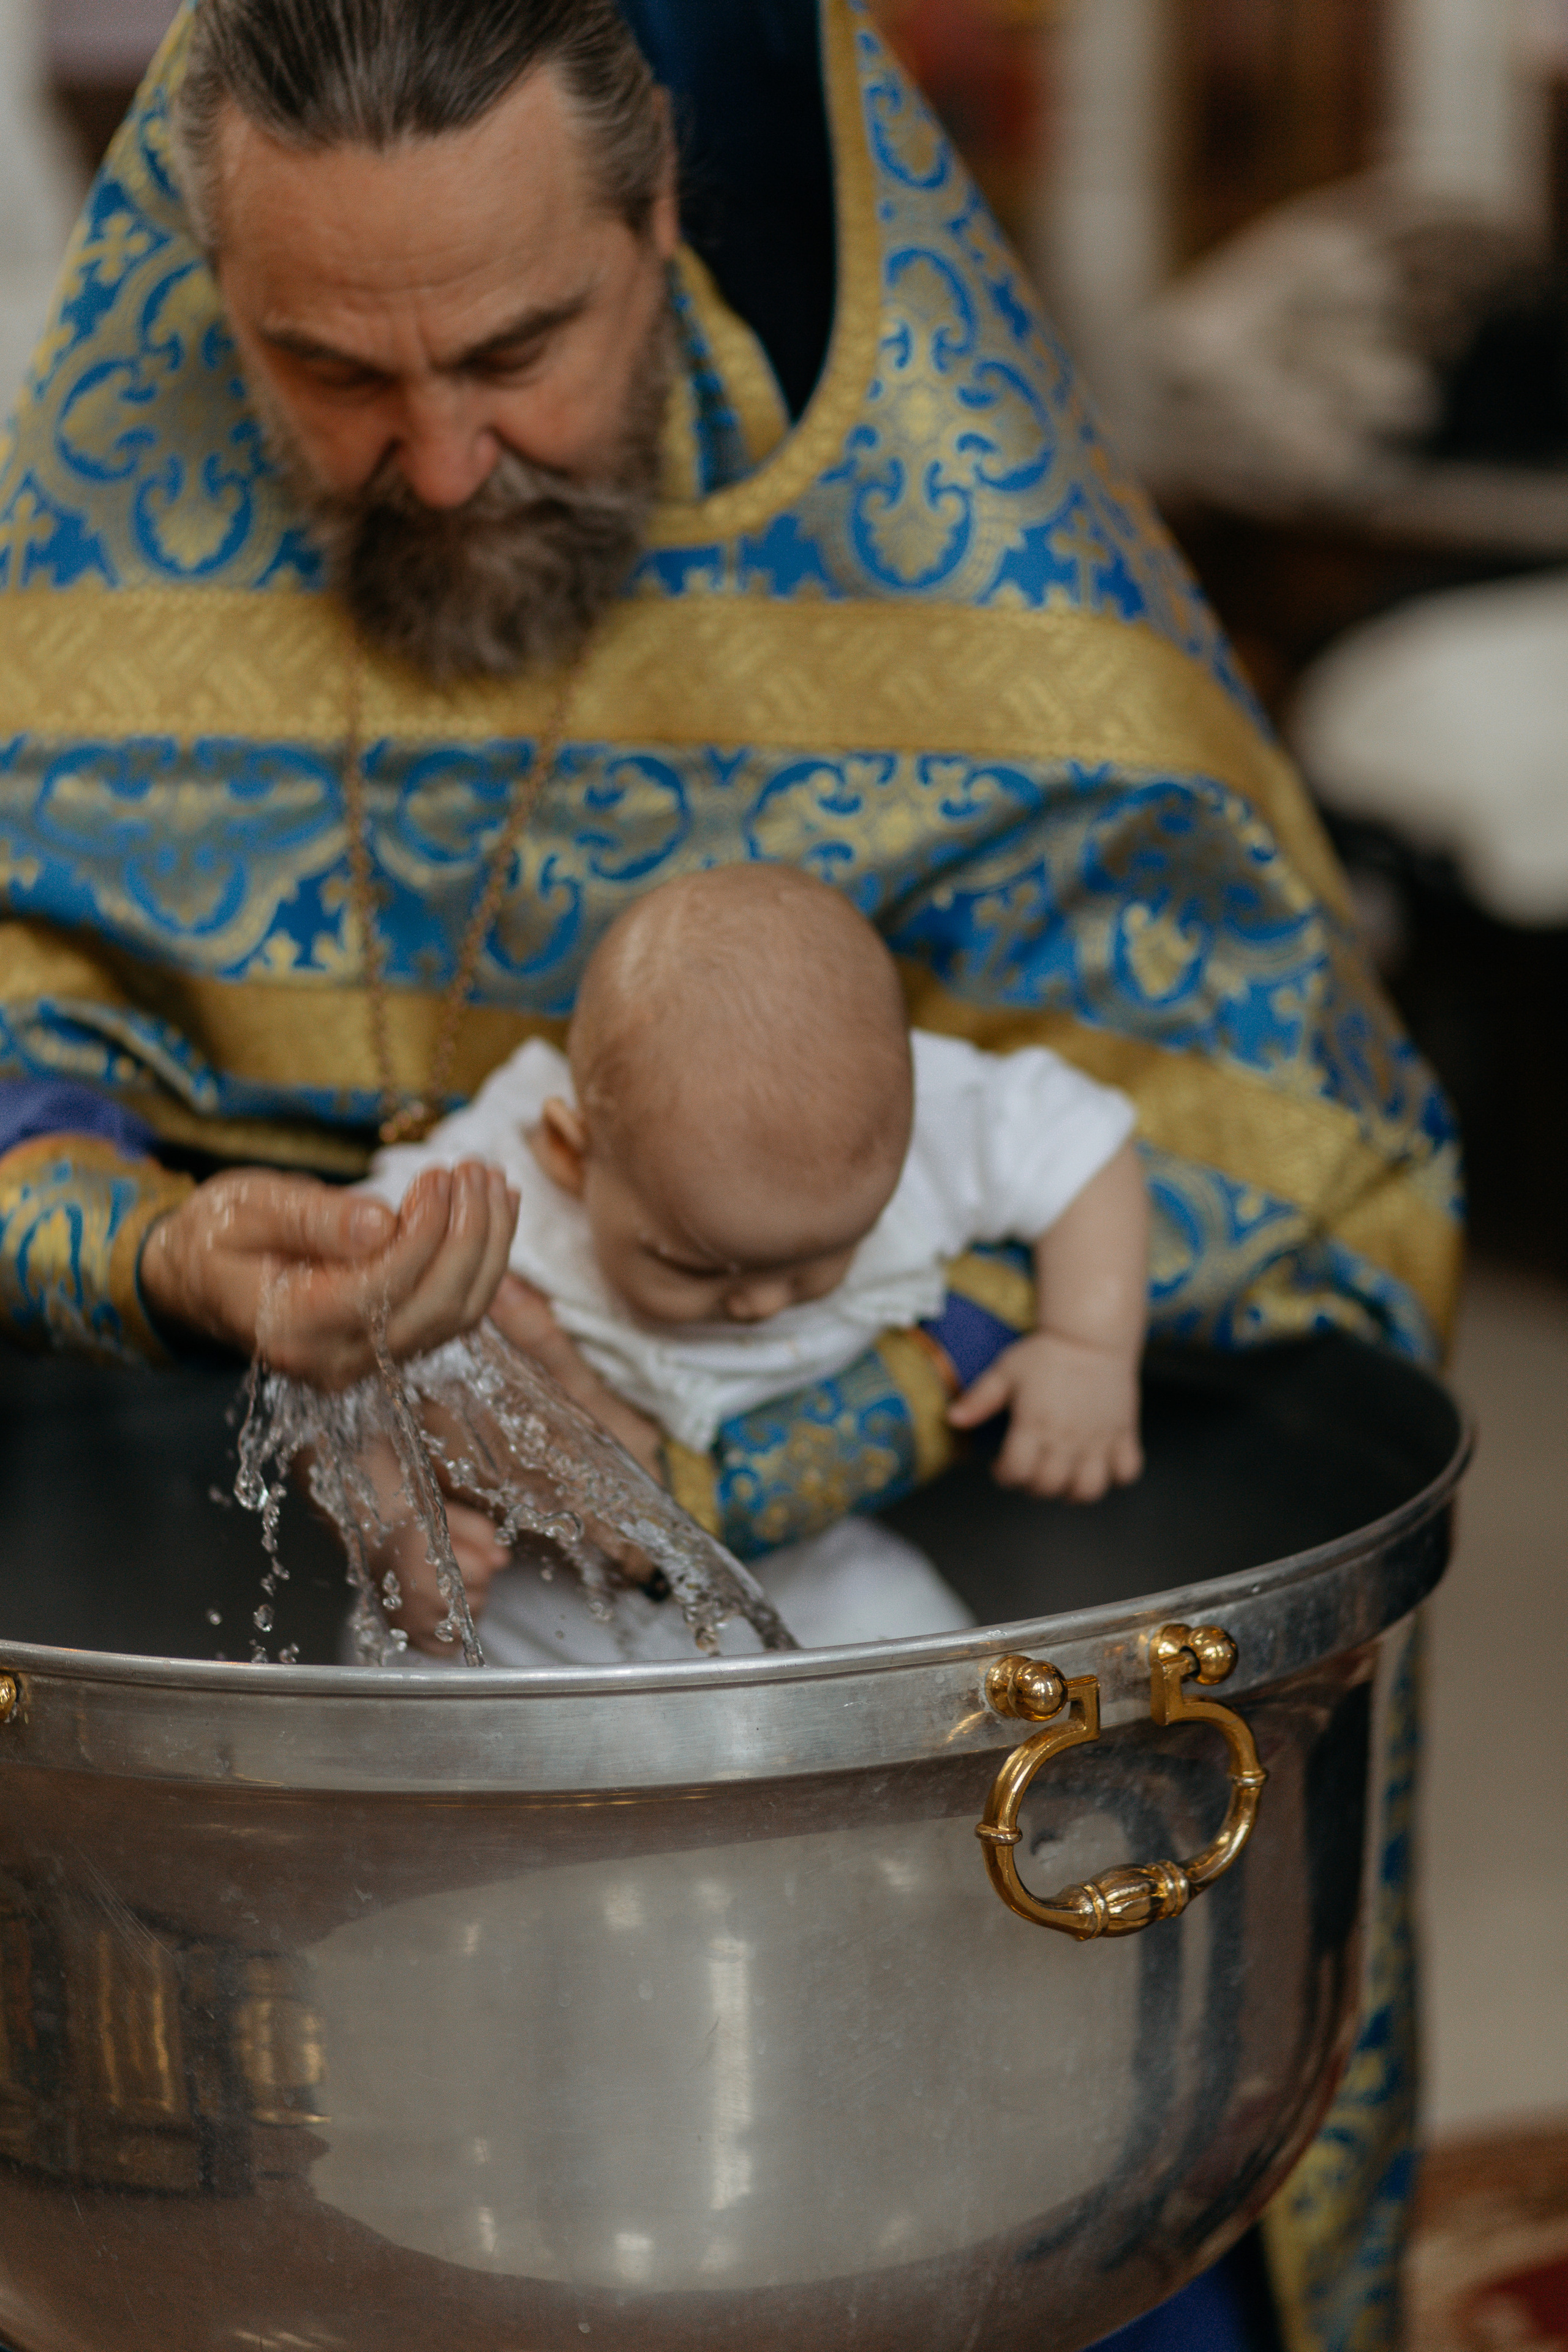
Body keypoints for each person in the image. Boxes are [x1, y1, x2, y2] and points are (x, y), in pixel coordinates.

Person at [0, 1, 1459, 2344]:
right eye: (326, 372)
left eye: (517, 346)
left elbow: (1302, 1143)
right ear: (205, 286)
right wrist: (151, 1238)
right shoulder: (81, 572)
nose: (446, 465)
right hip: (285, 1809)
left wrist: (864, 1379)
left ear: (661, 224)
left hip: (901, 1829)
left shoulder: (965, 585)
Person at [361, 863, 1146, 1654]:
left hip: (808, 1572)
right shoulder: (482, 1187)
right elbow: (340, 1363)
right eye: (700, 1268)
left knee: (943, 1681)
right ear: (574, 1155)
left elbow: (1083, 1145)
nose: (764, 1304)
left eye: (819, 1259)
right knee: (421, 1669)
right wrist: (394, 1524)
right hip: (534, 1578)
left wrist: (1088, 1344)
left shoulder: (926, 1114)